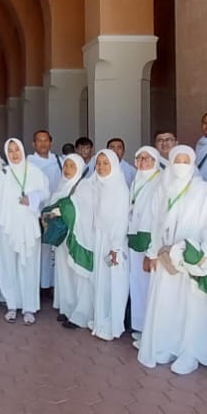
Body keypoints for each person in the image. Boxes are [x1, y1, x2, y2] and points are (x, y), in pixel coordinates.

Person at [136, 145, 207, 373]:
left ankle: (190, 352)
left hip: (189, 257)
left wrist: (202, 258)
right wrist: (152, 253)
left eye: (186, 162)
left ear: (192, 164)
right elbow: (154, 221)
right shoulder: (163, 187)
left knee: (191, 306)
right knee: (167, 304)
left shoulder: (203, 191)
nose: (181, 166)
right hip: (165, 257)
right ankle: (168, 345)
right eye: (177, 161)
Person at [0, 139, 49, 325]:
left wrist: (32, 198)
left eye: (17, 150)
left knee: (29, 266)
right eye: (10, 151)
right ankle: (12, 305)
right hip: (6, 226)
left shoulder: (34, 171)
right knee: (8, 266)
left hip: (28, 226)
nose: (14, 154)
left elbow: (45, 192)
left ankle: (29, 307)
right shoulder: (3, 174)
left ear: (22, 150)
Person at [82, 151, 130, 341]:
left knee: (114, 282)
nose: (101, 167)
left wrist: (115, 246)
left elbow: (121, 219)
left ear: (114, 166)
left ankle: (112, 325)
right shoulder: (97, 185)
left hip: (113, 243)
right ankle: (100, 319)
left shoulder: (119, 187)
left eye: (105, 163)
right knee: (99, 281)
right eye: (98, 163)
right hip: (100, 239)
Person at [46, 155, 91, 327]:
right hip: (62, 237)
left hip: (77, 236)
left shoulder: (84, 187)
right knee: (64, 272)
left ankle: (81, 314)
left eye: (72, 165)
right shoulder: (62, 185)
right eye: (66, 165)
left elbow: (85, 211)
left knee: (77, 273)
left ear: (79, 168)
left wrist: (62, 211)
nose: (67, 169)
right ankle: (68, 308)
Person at [125, 146, 162, 336]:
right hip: (134, 236)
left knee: (149, 285)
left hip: (149, 240)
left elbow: (159, 218)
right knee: (137, 283)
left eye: (147, 158)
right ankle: (139, 326)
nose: (143, 162)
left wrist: (152, 251)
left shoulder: (160, 181)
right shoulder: (137, 179)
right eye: (139, 158)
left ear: (155, 161)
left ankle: (151, 330)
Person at [27, 130, 63, 290]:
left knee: (51, 249)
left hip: (54, 212)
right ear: (33, 144)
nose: (43, 144)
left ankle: (49, 285)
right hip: (33, 213)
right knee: (36, 249)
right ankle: (36, 285)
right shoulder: (28, 163)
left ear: (50, 142)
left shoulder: (59, 161)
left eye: (46, 140)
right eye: (39, 141)